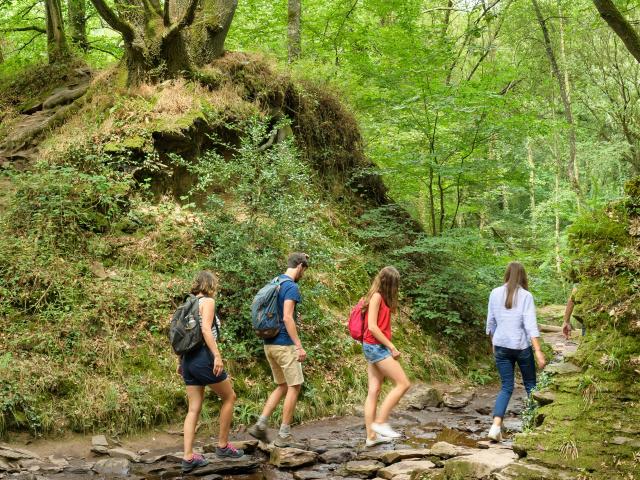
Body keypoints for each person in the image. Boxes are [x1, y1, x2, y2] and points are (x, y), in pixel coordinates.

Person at [178, 271, 243, 474]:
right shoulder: (207, 302)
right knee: (229, 397)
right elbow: (206, 330)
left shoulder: (186, 305)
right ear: (210, 285)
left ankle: (188, 457)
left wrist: (181, 361)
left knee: (193, 408)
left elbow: (181, 335)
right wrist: (217, 356)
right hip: (203, 358)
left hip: (188, 360)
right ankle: (223, 446)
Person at [248, 253, 309, 447]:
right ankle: (284, 435)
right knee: (294, 386)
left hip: (269, 344)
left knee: (282, 385)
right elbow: (288, 318)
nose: (303, 275)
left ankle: (261, 425)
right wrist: (298, 345)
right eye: (304, 270)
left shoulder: (275, 281)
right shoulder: (291, 286)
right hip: (284, 345)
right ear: (299, 266)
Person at [486, 261, 546, 442]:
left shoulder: (494, 293)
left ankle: (495, 427)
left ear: (507, 274)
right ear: (523, 276)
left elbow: (490, 323)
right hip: (521, 347)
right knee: (530, 385)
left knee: (506, 387)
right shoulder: (526, 296)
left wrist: (494, 344)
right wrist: (538, 351)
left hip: (501, 346)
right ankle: (534, 425)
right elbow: (530, 325)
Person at [361, 266, 411, 447]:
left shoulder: (380, 298)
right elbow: (372, 327)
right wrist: (391, 346)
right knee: (404, 383)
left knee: (374, 390)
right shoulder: (376, 297)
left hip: (373, 347)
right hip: (376, 347)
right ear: (390, 284)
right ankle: (380, 422)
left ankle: (371, 437)